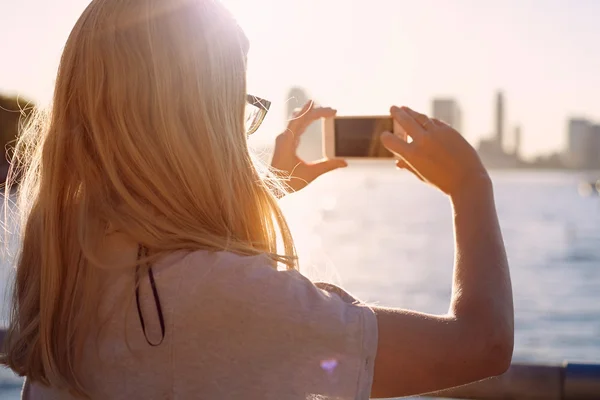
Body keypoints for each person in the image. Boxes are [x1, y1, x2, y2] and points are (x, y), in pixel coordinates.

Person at [0, 0, 513, 399]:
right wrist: (470, 188)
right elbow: (481, 346)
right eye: (238, 107)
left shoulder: (70, 273)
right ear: (197, 125)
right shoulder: (215, 297)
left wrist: (268, 187)